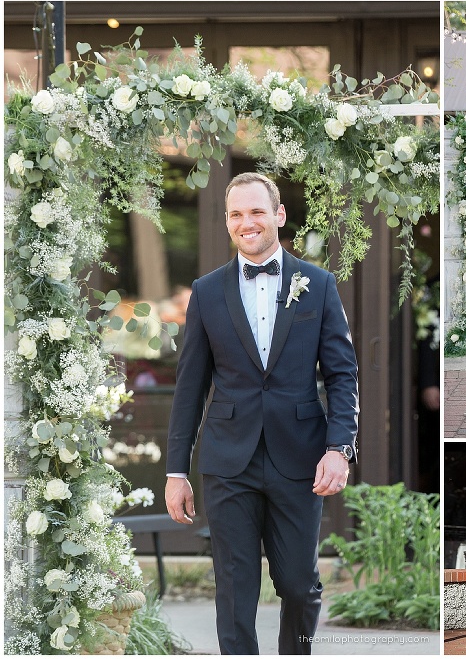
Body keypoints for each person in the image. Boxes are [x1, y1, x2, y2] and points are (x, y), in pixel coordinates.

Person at [164, 172, 359, 654]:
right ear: (227, 222)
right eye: (236, 213)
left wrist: (340, 448)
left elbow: (342, 375)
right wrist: (175, 470)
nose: (246, 222)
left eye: (256, 211)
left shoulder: (318, 284)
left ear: (279, 215)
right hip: (229, 461)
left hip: (300, 460)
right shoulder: (206, 292)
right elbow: (189, 387)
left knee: (298, 584)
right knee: (234, 588)